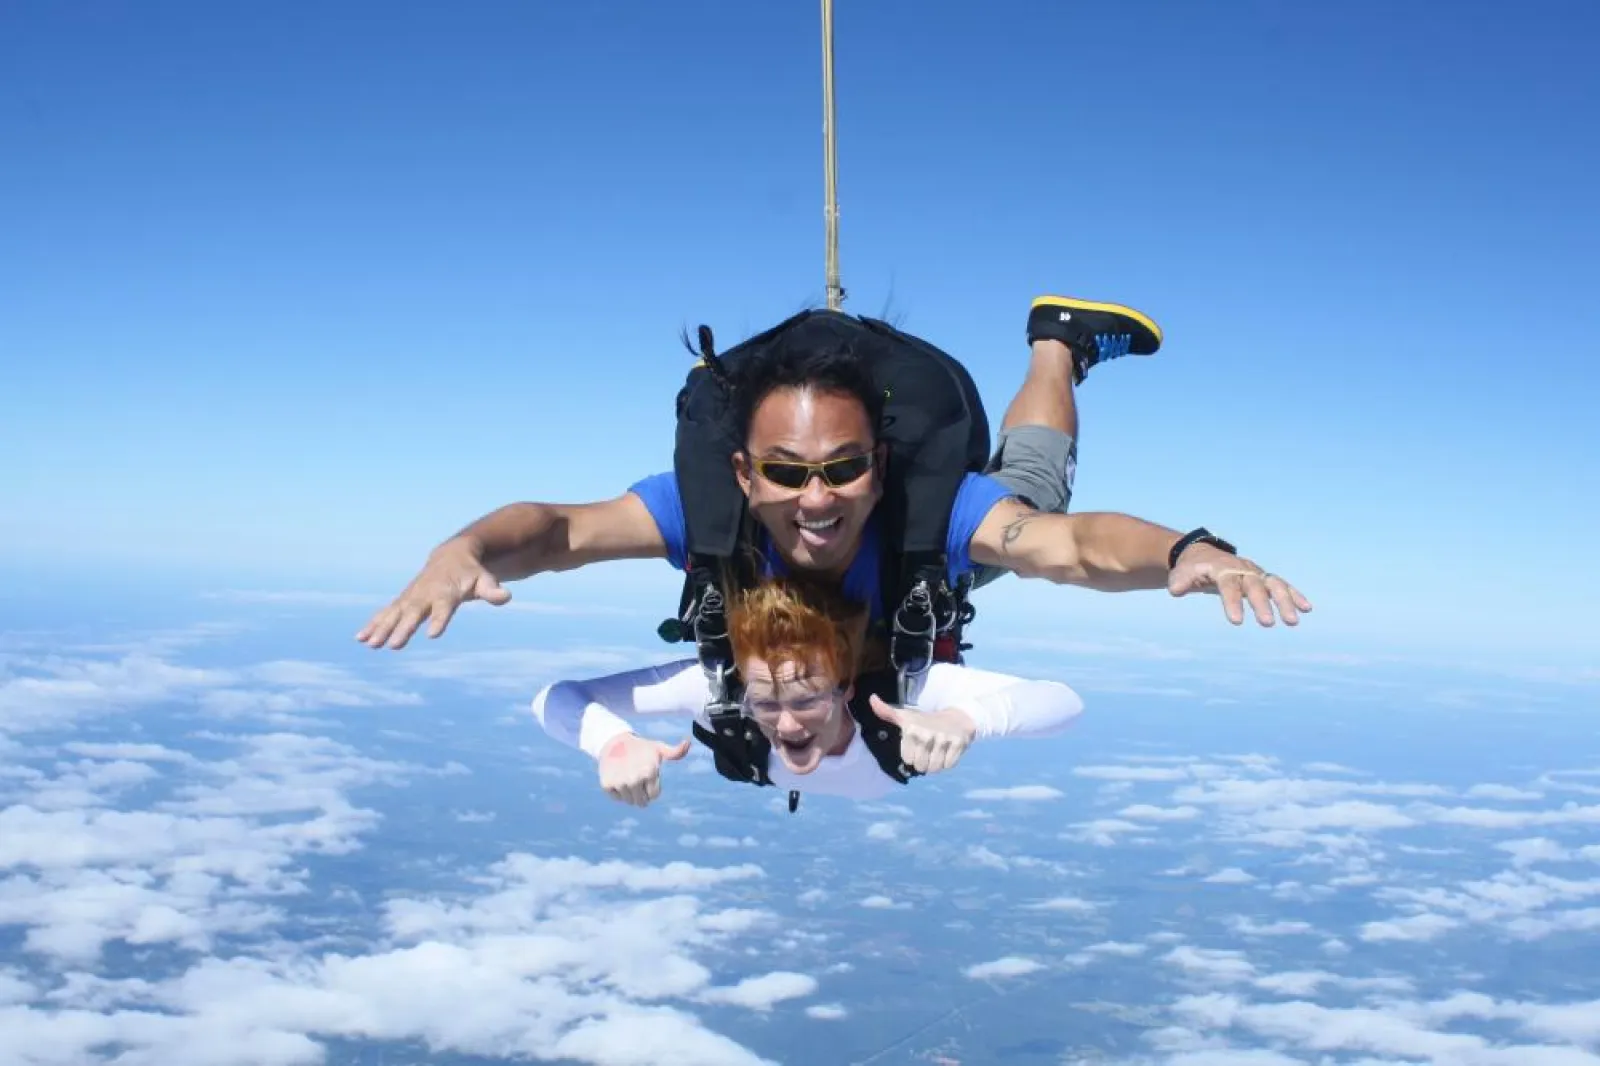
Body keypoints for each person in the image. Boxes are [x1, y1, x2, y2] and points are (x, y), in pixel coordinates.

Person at [356, 293, 1311, 653]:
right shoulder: (707, 513)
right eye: (785, 471)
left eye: (844, 469)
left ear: (879, 462)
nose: (815, 499)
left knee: (1031, 496)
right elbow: (559, 531)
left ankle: (1055, 348)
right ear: (743, 469)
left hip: (940, 541)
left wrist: (1188, 551)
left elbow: (1070, 548)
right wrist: (463, 549)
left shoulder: (941, 512)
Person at [530, 576, 1084, 807]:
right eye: (766, 703)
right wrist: (610, 742)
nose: (787, 724)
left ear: (845, 686)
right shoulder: (721, 690)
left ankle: (1060, 346)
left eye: (806, 699)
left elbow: (1062, 701)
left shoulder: (902, 694)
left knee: (1030, 497)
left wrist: (966, 719)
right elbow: (555, 697)